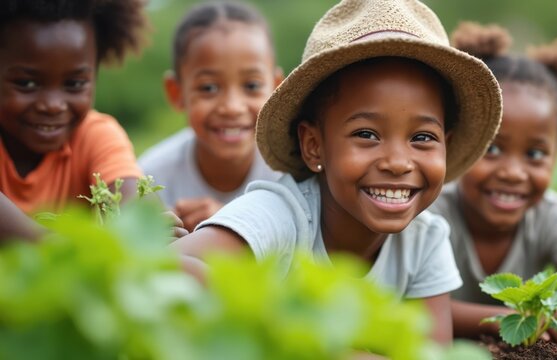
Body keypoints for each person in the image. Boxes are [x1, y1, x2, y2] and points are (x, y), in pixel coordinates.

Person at [171, 0, 503, 345]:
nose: (398, 162)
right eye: (367, 135)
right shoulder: (280, 214)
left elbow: (432, 352)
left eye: (422, 138)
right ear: (314, 145)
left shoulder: (426, 238)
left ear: (445, 145)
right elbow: (171, 268)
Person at [430, 22, 557, 348]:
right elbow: (420, 308)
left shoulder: (553, 215)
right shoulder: (433, 215)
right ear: (460, 143)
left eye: (534, 154)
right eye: (493, 149)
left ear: (556, 156)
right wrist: (511, 321)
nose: (513, 172)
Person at [139, 1, 283, 232]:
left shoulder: (288, 175)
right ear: (177, 93)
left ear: (276, 88)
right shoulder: (150, 177)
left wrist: (229, 224)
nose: (232, 107)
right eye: (208, 88)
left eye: (252, 85)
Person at [0, 0, 147, 214]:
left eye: (74, 84)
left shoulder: (95, 136)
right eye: (26, 83)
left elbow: (133, 209)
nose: (52, 106)